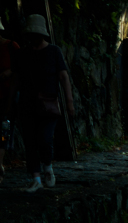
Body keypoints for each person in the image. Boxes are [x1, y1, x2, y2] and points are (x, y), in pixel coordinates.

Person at [15, 14, 75, 192]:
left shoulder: (53, 51)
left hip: (48, 104)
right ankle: (36, 178)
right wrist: (11, 103)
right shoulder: (24, 54)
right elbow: (16, 80)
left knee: (45, 138)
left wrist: (69, 102)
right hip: (27, 103)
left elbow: (64, 77)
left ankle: (47, 168)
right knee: (30, 141)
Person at [0, 17, 19, 185]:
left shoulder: (11, 47)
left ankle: (0, 163)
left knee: (3, 132)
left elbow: (21, 69)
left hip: (6, 97)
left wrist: (9, 72)